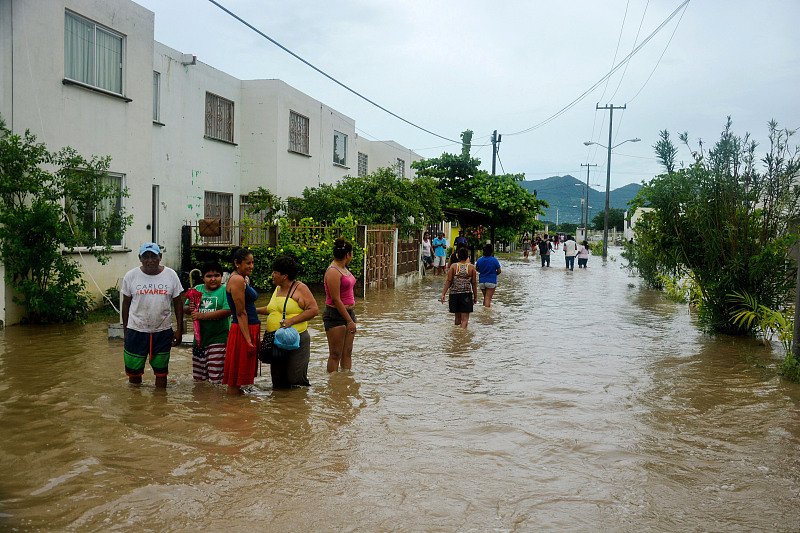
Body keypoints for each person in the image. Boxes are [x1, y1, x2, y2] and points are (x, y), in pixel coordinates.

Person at [121, 242, 183, 388]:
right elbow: (125, 304)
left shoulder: (171, 275)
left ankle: (160, 406)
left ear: (160, 257)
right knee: (134, 375)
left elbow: (178, 303)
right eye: (146, 256)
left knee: (161, 374)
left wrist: (180, 329)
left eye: (153, 256)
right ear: (140, 258)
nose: (150, 260)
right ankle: (137, 406)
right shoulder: (131, 276)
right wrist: (126, 330)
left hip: (162, 332)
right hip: (136, 331)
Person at [261, 256, 319, 387]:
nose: (272, 275)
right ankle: (281, 407)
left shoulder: (300, 288)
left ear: (285, 276)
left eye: (275, 272)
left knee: (295, 380)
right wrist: (252, 310)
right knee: (277, 380)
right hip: (275, 340)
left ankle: (297, 405)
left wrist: (292, 320)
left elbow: (314, 310)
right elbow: (272, 309)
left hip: (296, 340)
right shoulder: (278, 288)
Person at [184, 261, 231, 384]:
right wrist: (190, 308)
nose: (213, 279)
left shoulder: (225, 291)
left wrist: (202, 316)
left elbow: (227, 311)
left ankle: (215, 402)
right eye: (209, 276)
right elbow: (185, 308)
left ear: (222, 277)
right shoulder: (196, 289)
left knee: (216, 378)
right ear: (203, 277)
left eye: (217, 275)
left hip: (219, 339)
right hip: (199, 341)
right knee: (199, 379)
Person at [223, 248, 260, 394]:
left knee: (241, 375)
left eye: (252, 263)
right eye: (248, 263)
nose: (251, 266)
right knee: (235, 378)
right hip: (243, 329)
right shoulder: (237, 280)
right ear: (237, 263)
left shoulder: (243, 278)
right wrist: (248, 341)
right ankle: (232, 409)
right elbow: (240, 312)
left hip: (248, 327)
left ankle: (239, 410)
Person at [324, 238, 358, 372]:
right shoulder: (333, 271)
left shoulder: (344, 268)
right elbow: (336, 299)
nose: (352, 256)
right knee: (335, 354)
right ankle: (332, 385)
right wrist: (349, 320)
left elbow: (348, 293)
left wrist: (352, 315)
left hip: (348, 313)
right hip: (335, 314)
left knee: (347, 352)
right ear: (348, 254)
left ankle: (345, 383)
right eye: (352, 253)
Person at [441, 247, 478, 329]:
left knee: (457, 318)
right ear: (467, 256)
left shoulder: (454, 267)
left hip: (454, 295)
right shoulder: (471, 268)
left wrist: (443, 294)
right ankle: (463, 337)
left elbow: (449, 281)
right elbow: (474, 283)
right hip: (466, 295)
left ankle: (457, 336)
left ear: (458, 256)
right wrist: (475, 296)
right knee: (465, 319)